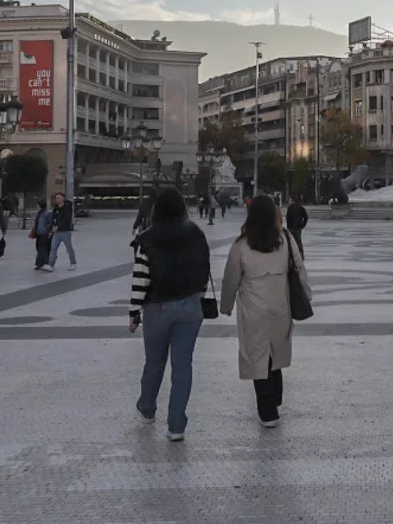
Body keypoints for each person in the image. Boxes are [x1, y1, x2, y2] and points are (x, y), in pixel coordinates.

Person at [128, 187, 212, 440]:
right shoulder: (196, 234)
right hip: (189, 306)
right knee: (182, 366)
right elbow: (204, 271)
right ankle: (176, 425)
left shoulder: (146, 238)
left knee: (154, 361)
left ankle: (147, 407)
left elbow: (141, 278)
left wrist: (134, 312)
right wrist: (198, 296)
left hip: (157, 308)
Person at [221, 194, 306, 428]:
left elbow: (230, 279)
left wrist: (226, 305)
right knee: (275, 353)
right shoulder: (286, 239)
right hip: (280, 307)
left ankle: (268, 411)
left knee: (259, 357)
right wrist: (306, 296)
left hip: (253, 311)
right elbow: (300, 270)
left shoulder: (241, 245)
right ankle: (275, 399)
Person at [48, 191, 77, 270]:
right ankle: (51, 264)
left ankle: (73, 263)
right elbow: (53, 219)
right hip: (56, 233)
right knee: (53, 248)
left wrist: (58, 226)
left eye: (59, 198)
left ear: (63, 198)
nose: (57, 199)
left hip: (65, 231)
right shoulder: (56, 208)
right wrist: (53, 227)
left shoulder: (67, 208)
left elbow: (66, 219)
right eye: (56, 198)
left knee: (69, 248)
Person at [31, 198, 53, 270]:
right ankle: (44, 262)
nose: (37, 207)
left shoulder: (48, 213)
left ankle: (40, 263)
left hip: (45, 233)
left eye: (37, 205)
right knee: (39, 248)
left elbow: (50, 223)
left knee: (42, 249)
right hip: (39, 233)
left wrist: (47, 229)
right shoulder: (39, 213)